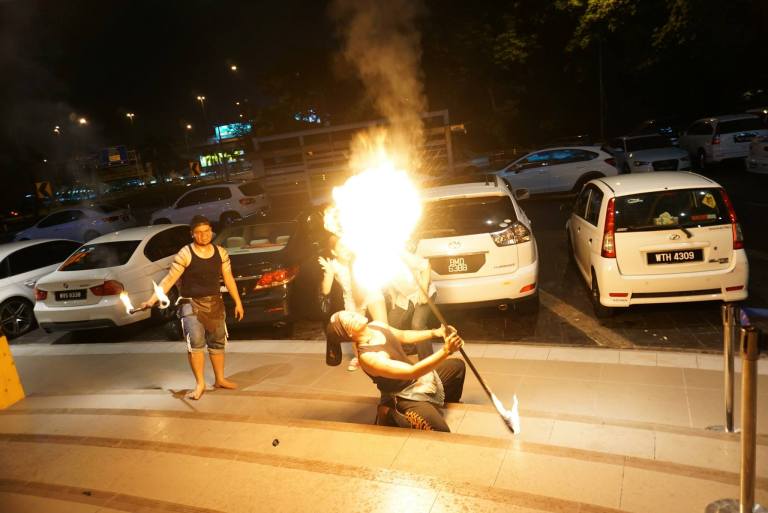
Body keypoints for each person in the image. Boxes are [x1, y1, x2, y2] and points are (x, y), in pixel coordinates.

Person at [141, 215, 244, 400]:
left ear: (211, 231)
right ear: (192, 234)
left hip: (215, 303)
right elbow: (169, 279)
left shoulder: (221, 252)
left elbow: (228, 278)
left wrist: (238, 302)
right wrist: (152, 299)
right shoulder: (185, 253)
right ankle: (200, 384)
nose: (204, 235)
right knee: (195, 344)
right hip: (190, 304)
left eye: (207, 231)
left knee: (217, 342)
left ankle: (220, 379)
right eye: (199, 232)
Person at [325, 310, 465, 432]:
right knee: (440, 431)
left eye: (350, 313)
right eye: (350, 318)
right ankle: (390, 412)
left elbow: (403, 335)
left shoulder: (376, 325)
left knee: (457, 367)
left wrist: (435, 332)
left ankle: (441, 402)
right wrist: (446, 350)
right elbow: (412, 372)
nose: (354, 314)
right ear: (349, 332)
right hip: (404, 394)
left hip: (419, 378)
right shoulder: (368, 357)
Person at [319, 236, 387, 371]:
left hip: (370, 292)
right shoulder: (334, 265)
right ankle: (360, 358)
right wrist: (329, 273)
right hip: (351, 299)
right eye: (342, 247)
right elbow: (326, 290)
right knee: (354, 332)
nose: (346, 249)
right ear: (334, 252)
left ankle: (385, 354)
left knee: (383, 327)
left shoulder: (359, 257)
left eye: (348, 245)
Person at [387, 249, 436, 361]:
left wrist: (424, 291)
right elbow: (388, 282)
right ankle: (408, 350)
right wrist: (393, 297)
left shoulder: (401, 255)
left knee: (417, 324)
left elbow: (426, 265)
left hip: (424, 291)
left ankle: (427, 360)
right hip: (405, 296)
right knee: (393, 321)